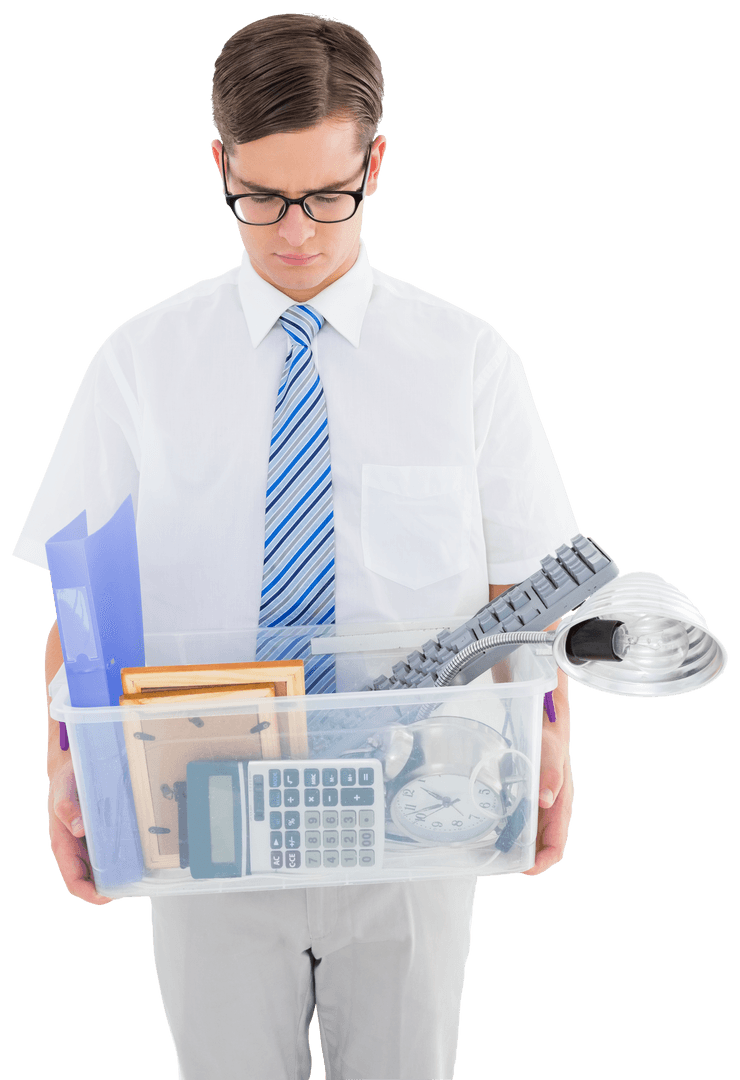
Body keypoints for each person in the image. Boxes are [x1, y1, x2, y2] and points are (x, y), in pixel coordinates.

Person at [15, 13, 578, 1079]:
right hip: (201, 820)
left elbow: (524, 584)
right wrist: (61, 761)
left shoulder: (466, 361)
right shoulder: (139, 363)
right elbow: (82, 604)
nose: (295, 231)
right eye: (260, 197)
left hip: (421, 814)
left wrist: (548, 731)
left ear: (373, 163)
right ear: (219, 163)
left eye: (327, 194)